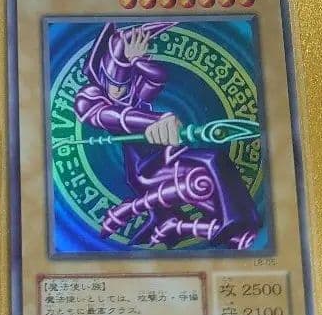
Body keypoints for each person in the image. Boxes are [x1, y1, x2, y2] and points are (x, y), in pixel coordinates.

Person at [73, 22, 260, 249]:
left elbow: (157, 77)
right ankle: (232, 222)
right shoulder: (91, 99)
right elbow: (112, 116)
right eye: (114, 84)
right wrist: (153, 121)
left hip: (165, 156)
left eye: (124, 84)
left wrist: (137, 60)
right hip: (145, 169)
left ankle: (233, 222)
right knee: (209, 164)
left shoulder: (134, 94)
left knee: (210, 167)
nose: (119, 91)